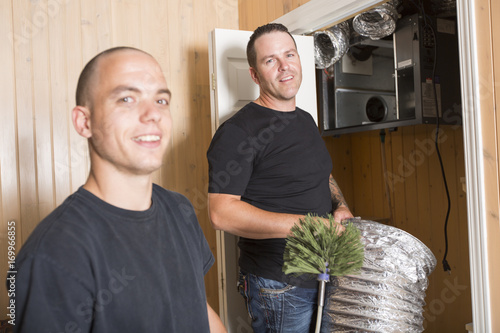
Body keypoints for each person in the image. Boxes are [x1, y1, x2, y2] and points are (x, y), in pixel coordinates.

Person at [11, 47, 226, 333]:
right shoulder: (53, 254)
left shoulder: (181, 209)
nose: (153, 115)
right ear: (84, 121)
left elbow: (199, 308)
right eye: (127, 99)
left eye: (161, 100)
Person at [206, 23, 354, 332]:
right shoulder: (237, 132)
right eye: (270, 60)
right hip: (279, 284)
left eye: (290, 55)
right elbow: (221, 213)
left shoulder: (305, 120)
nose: (285, 66)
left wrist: (340, 205)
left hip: (325, 271)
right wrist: (309, 225)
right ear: (254, 74)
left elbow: (320, 173)